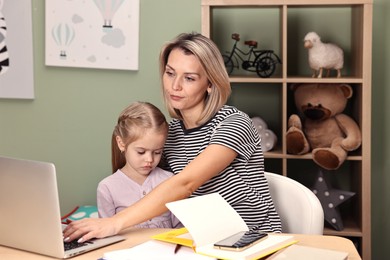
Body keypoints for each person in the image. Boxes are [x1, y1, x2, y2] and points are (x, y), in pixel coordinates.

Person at [63, 32, 281, 243]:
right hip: (200, 242)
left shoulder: (234, 123)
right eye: (170, 73)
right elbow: (150, 186)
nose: (175, 86)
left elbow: (185, 183)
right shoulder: (170, 134)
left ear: (210, 83)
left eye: (189, 78)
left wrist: (114, 223)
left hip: (252, 240)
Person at [96, 101, 182, 228]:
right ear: (121, 143)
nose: (150, 159)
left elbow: (180, 228)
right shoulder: (107, 188)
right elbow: (106, 233)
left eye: (157, 152)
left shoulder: (169, 180)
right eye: (141, 152)